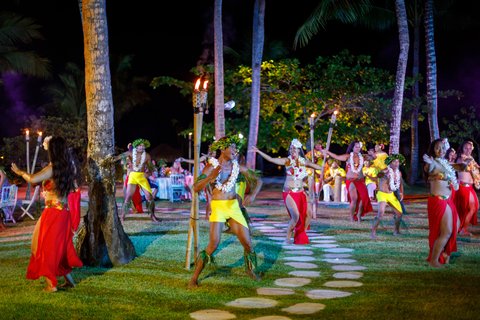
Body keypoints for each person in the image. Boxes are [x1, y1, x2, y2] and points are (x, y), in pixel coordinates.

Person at [11, 136, 83, 292]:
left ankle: (51, 285)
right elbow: (71, 189)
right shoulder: (68, 168)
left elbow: (32, 179)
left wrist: (19, 172)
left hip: (53, 214)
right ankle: (69, 281)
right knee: (56, 248)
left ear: (53, 151)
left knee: (46, 248)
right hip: (62, 213)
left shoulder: (52, 168)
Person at [189, 135, 261, 287]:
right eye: (232, 147)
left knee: (248, 244)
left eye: (236, 147)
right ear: (223, 148)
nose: (235, 150)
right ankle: (194, 278)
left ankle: (250, 270)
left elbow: (258, 179)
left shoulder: (237, 167)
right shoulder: (211, 167)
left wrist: (253, 194)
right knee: (213, 245)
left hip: (233, 207)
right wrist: (211, 178)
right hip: (219, 207)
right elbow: (195, 187)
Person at [251, 139, 322, 244]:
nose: (292, 150)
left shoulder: (304, 162)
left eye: (294, 149)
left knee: (309, 214)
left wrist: (322, 166)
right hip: (289, 192)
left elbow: (318, 167)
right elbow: (271, 159)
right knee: (296, 216)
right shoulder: (286, 161)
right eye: (291, 149)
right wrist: (258, 151)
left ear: (298, 150)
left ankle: (302, 232)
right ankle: (287, 238)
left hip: (301, 192)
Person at [423, 138, 461, 267]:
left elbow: (457, 168)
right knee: (446, 231)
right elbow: (429, 167)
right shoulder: (433, 163)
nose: (441, 150)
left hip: (447, 199)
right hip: (438, 200)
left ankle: (445, 254)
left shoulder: (445, 164)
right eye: (437, 148)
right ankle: (434, 260)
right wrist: (429, 164)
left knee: (456, 226)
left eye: (443, 148)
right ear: (433, 149)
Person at [323, 141, 373, 222]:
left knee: (363, 198)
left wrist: (372, 154)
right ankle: (351, 217)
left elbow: (373, 158)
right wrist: (327, 152)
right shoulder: (348, 156)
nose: (358, 148)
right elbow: (337, 156)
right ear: (352, 147)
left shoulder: (363, 157)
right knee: (354, 198)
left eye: (359, 147)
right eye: (356, 147)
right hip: (351, 180)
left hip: (360, 180)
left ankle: (359, 215)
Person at [115, 138, 160, 222]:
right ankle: (122, 217)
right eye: (140, 145)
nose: (141, 147)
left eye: (143, 146)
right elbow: (119, 157)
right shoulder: (130, 153)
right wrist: (111, 160)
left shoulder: (147, 156)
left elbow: (151, 169)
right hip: (133, 176)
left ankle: (152, 216)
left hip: (142, 176)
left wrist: (148, 174)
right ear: (136, 146)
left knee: (150, 197)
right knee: (128, 197)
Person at [370, 154, 405, 239]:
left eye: (397, 161)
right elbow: (378, 175)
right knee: (381, 213)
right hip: (382, 194)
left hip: (391, 194)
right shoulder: (386, 170)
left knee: (399, 214)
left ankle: (396, 231)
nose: (396, 163)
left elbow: (400, 184)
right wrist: (383, 173)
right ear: (390, 163)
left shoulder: (398, 173)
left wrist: (401, 193)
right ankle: (373, 232)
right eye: (394, 161)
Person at [455, 140, 479, 236]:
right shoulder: (461, 159)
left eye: (470, 148)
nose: (468, 150)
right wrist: (470, 162)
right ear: (462, 148)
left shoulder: (471, 159)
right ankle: (463, 229)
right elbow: (463, 166)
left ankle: (462, 228)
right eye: (466, 148)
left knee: (474, 207)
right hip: (464, 187)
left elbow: (476, 169)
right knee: (471, 208)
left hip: (470, 187)